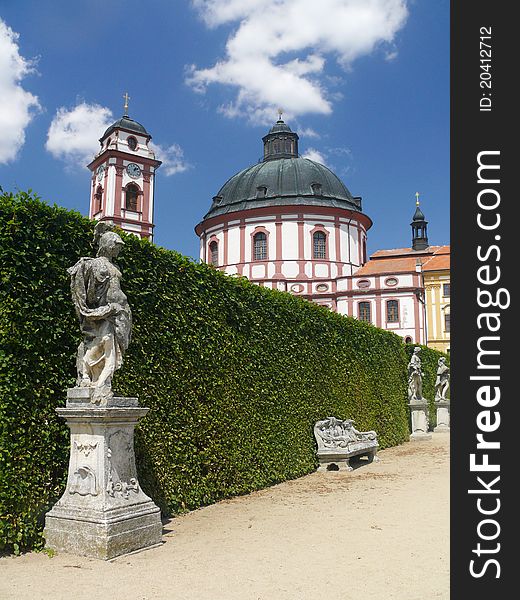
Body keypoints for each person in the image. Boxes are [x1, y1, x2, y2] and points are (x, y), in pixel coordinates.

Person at [68, 222, 132, 403]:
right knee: (104, 345)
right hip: (107, 313)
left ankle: (101, 383)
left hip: (118, 314)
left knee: (109, 347)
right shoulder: (95, 265)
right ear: (107, 245)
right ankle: (96, 382)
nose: (118, 251)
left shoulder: (114, 267)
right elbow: (88, 291)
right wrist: (96, 310)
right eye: (116, 247)